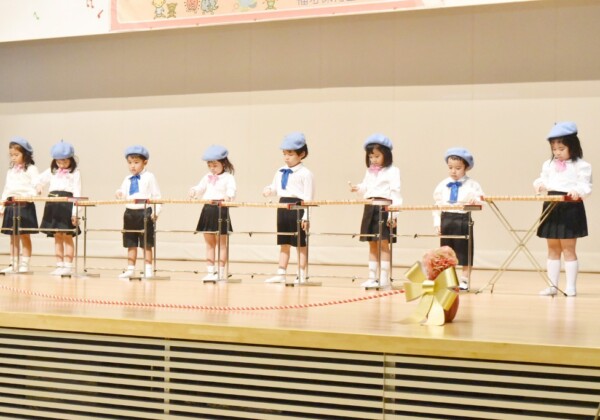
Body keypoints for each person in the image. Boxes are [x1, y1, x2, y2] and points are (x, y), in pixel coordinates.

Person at [533, 122, 592, 297]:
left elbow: (586, 186)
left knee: (568, 248)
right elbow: (542, 179)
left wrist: (577, 191)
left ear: (572, 147)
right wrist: (539, 185)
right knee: (552, 248)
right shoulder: (548, 164)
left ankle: (571, 286)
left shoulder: (582, 165)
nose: (557, 152)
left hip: (570, 206)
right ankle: (552, 286)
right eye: (554, 149)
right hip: (551, 204)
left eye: (561, 148)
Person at [349, 133, 401, 289]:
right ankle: (372, 277)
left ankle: (384, 278)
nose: (373, 160)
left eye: (377, 156)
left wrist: (393, 214)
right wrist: (357, 188)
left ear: (386, 154)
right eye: (371, 156)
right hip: (370, 206)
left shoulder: (393, 171)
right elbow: (366, 187)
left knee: (384, 243)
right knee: (371, 242)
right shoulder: (370, 171)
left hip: (384, 208)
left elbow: (396, 193)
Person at [262, 132, 314, 284]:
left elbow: (309, 198)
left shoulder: (306, 174)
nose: (286, 157)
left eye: (290, 154)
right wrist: (268, 190)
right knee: (284, 241)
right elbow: (276, 188)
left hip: (298, 207)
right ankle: (281, 273)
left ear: (301, 154)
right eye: (284, 154)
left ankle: (301, 273)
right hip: (282, 206)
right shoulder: (280, 171)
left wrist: (306, 217)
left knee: (300, 243)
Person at [432, 147, 484, 291]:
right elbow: (436, 204)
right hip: (446, 218)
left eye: (458, 168)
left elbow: (482, 199)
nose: (453, 171)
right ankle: (449, 280)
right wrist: (437, 222)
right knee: (446, 252)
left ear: (466, 167)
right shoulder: (442, 184)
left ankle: (465, 280)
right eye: (450, 168)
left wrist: (475, 201)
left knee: (465, 250)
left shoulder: (472, 184)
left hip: (462, 219)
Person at [189, 145, 236, 281]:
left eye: (215, 165)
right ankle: (210, 271)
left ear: (223, 163)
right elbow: (200, 188)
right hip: (208, 209)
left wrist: (228, 196)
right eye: (209, 165)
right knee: (209, 243)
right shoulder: (207, 177)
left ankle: (221, 271)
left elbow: (232, 190)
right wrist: (194, 191)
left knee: (222, 243)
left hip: (221, 209)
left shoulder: (228, 177)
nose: (212, 168)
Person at [36, 140, 82, 276]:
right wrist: (39, 186)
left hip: (66, 204)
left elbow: (77, 193)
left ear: (71, 159)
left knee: (67, 236)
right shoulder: (52, 171)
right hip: (53, 204)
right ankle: (59, 265)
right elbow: (38, 180)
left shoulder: (75, 173)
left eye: (65, 161)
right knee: (57, 236)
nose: (61, 164)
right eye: (58, 162)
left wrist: (75, 213)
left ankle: (68, 266)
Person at [115, 145, 162, 279]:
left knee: (146, 243)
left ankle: (148, 269)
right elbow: (123, 192)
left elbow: (157, 196)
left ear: (145, 162)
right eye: (130, 163)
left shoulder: (149, 177)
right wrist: (119, 193)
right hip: (130, 212)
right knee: (130, 242)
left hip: (144, 212)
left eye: (136, 162)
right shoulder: (127, 179)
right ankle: (130, 269)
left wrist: (156, 211)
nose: (132, 166)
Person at [0, 137, 39, 273]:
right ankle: (13, 263)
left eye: (16, 155)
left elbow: (35, 186)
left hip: (24, 204)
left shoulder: (31, 169)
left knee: (24, 235)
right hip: (11, 204)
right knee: (13, 236)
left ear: (25, 154)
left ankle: (25, 264)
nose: (13, 157)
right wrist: (2, 206)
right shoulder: (10, 171)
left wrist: (29, 196)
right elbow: (6, 189)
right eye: (11, 155)